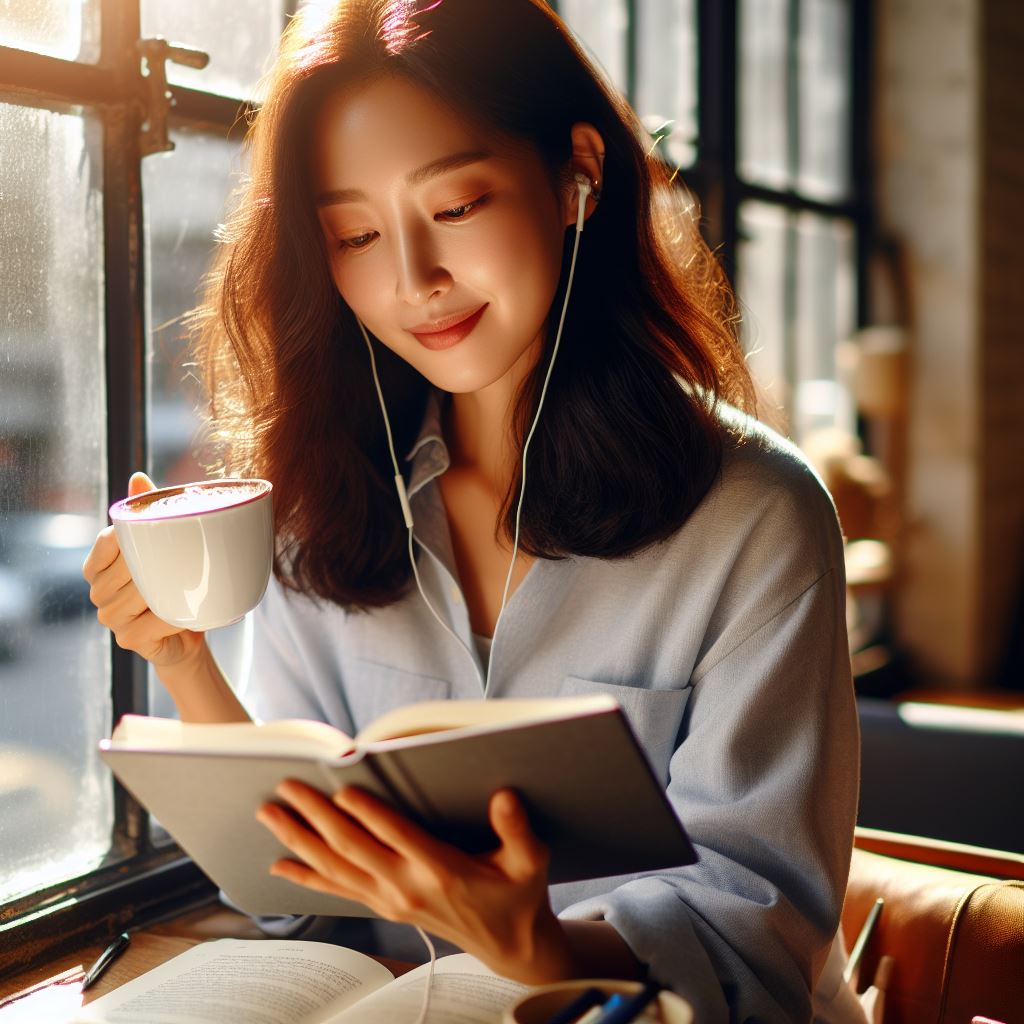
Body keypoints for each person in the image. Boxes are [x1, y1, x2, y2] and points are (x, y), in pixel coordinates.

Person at [83, 1, 862, 1019]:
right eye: (356, 234)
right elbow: (293, 893)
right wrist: (183, 659)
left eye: (454, 207)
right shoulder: (326, 505)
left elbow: (754, 943)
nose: (414, 280)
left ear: (577, 173)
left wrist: (542, 944)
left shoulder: (755, 515)